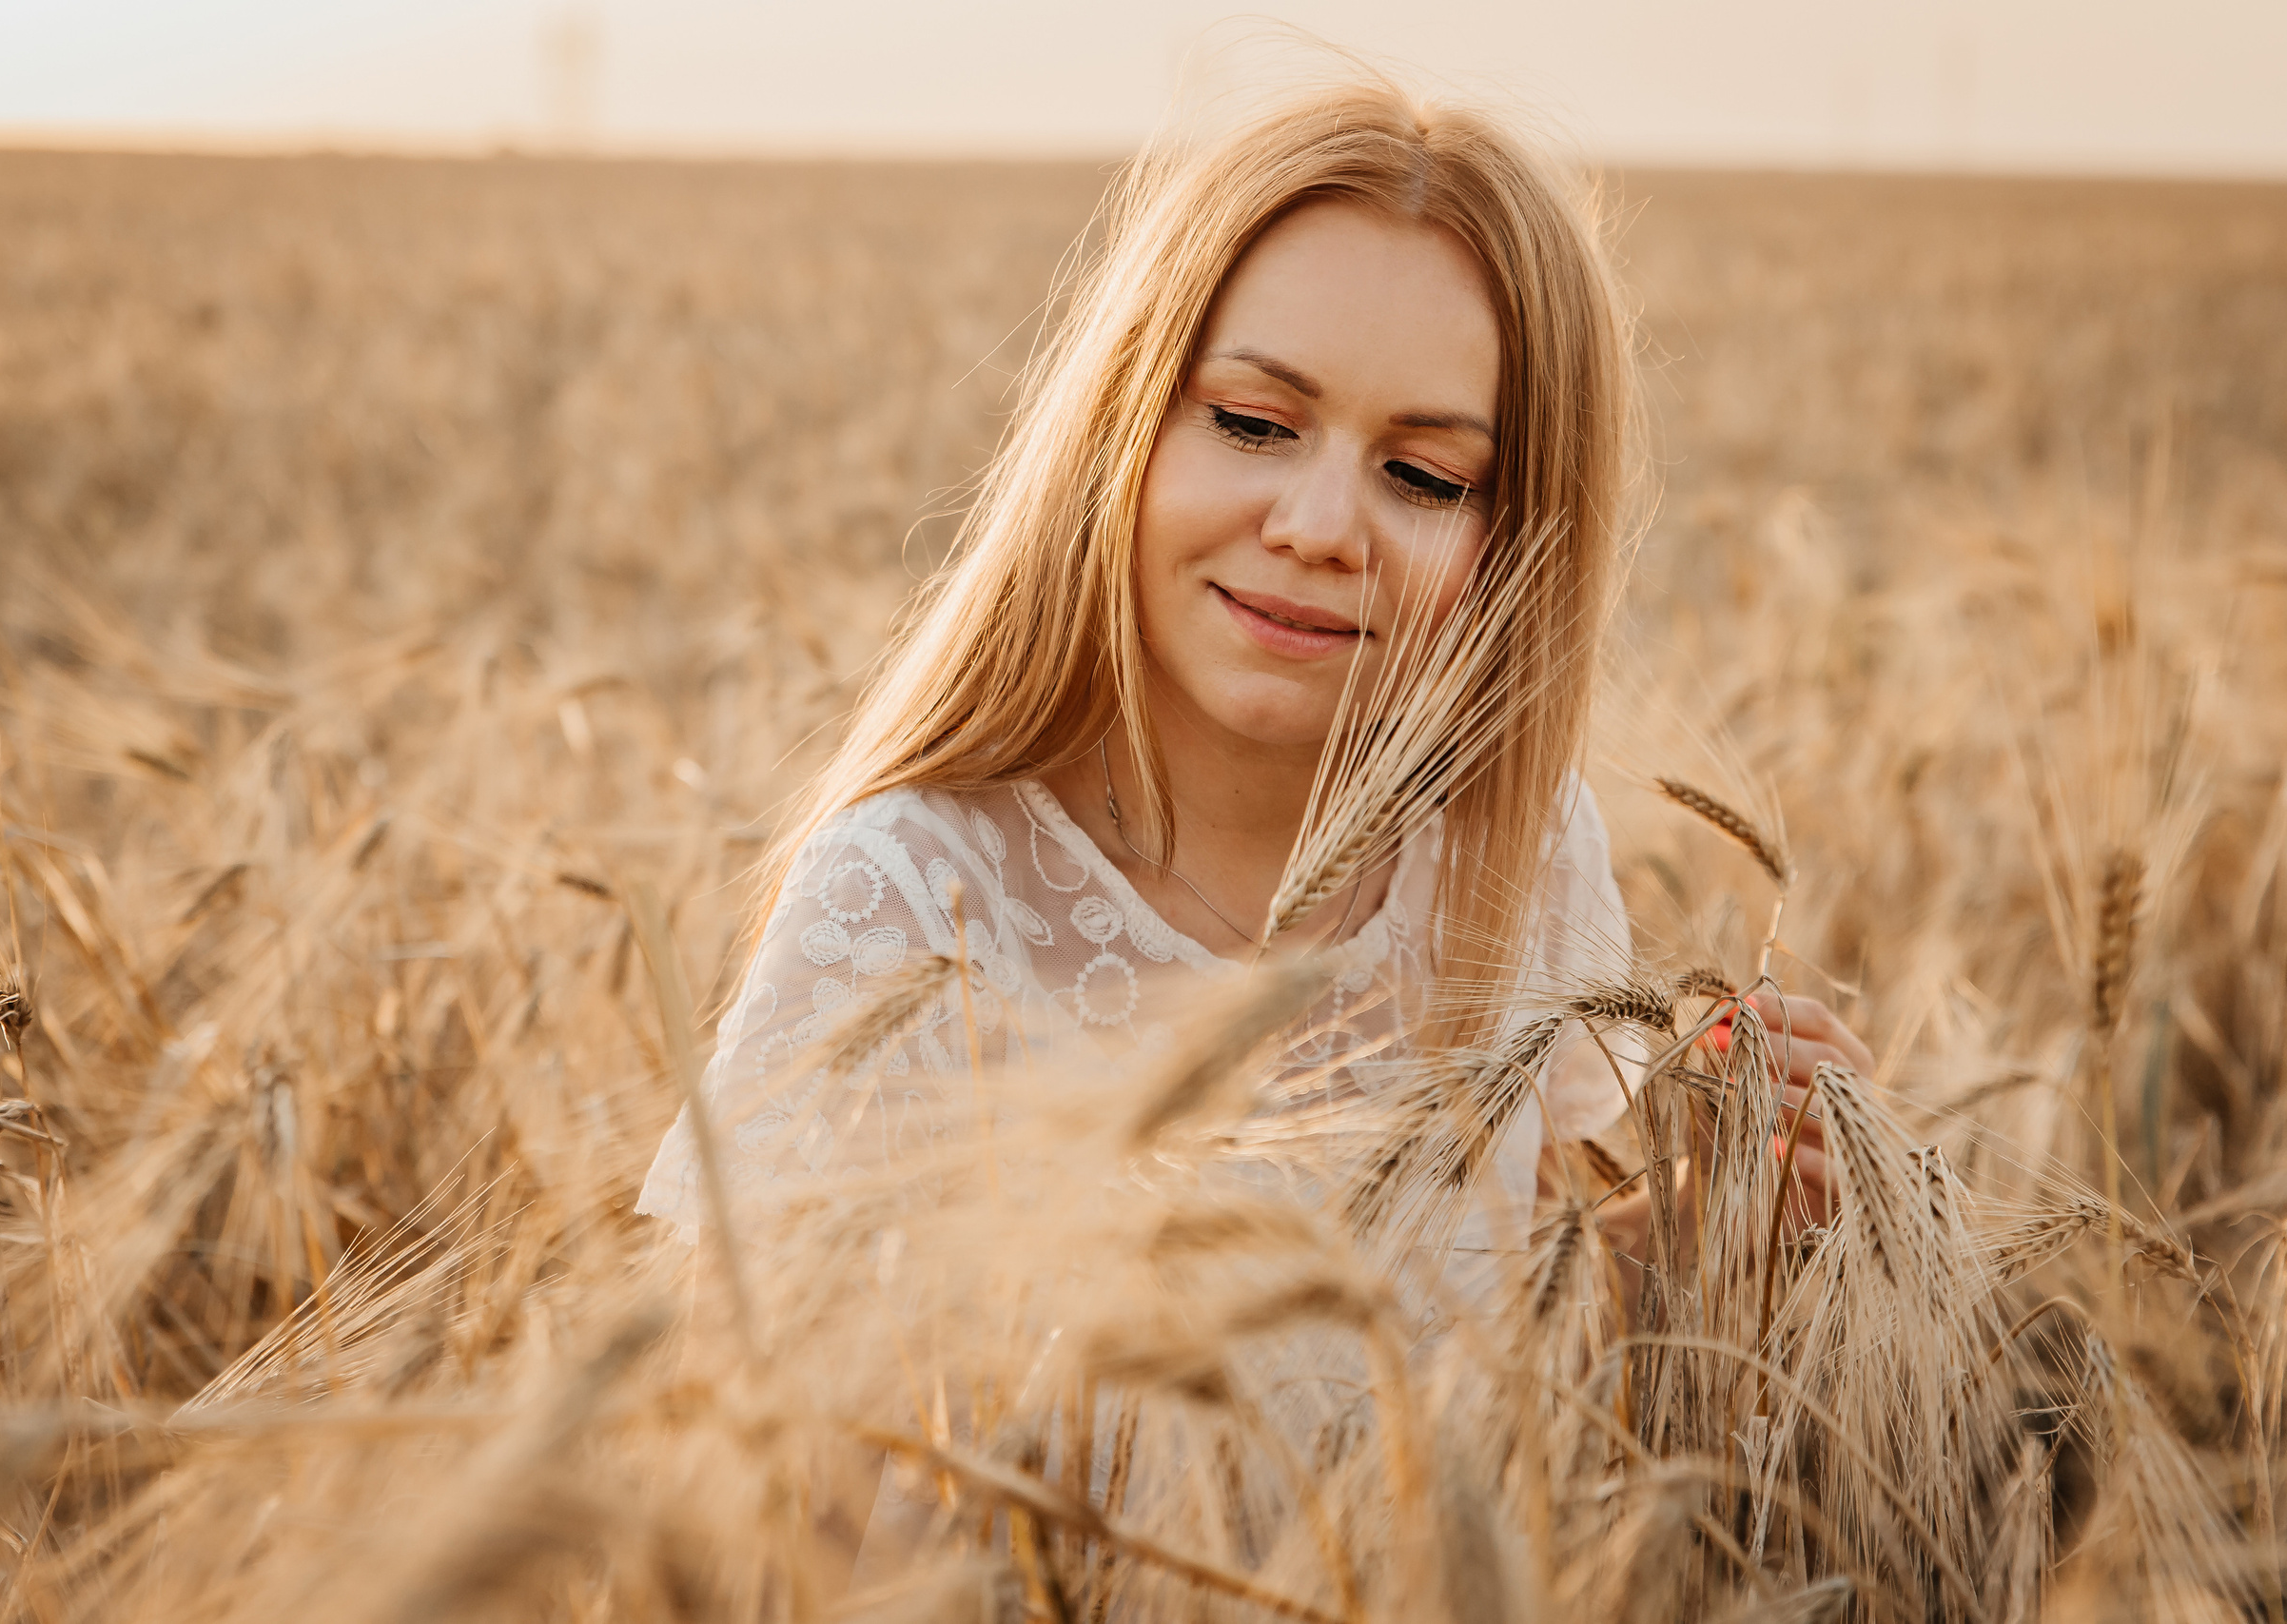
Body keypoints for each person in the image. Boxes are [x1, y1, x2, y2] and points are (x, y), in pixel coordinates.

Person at [635, 75, 1870, 1316]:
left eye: (1428, 478)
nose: (1323, 527)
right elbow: (750, 1451)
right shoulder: (909, 905)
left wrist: (1717, 1222)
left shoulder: (1523, 860)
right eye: (1250, 421)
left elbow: (1503, 1338)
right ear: (1125, 424)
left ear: (1523, 542)